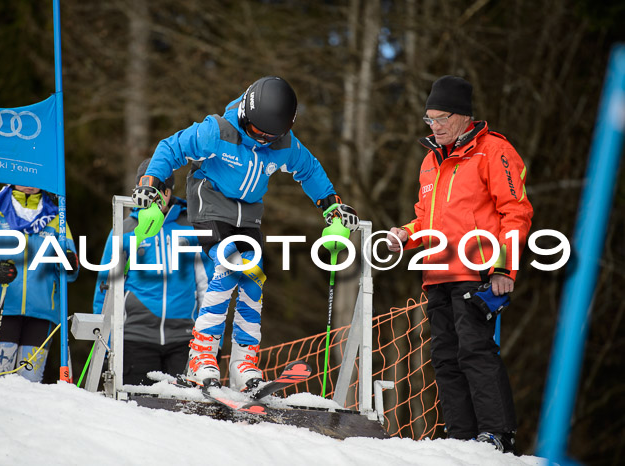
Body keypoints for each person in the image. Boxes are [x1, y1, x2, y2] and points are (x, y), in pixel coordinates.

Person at [132, 76, 359, 391]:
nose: (262, 140)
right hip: (210, 204)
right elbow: (171, 147)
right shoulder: (218, 131)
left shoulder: (285, 144)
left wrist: (332, 209)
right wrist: (151, 188)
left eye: (270, 135)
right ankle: (201, 356)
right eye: (255, 131)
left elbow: (310, 171)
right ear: (245, 116)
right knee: (229, 265)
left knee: (253, 276)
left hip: (248, 216)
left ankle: (243, 363)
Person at [386, 75, 533, 453]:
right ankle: (461, 439)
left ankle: (496, 435)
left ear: (463, 116)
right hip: (436, 275)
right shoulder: (429, 162)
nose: (434, 127)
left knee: (475, 351)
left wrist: (504, 268)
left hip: (477, 271)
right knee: (444, 358)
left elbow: (515, 213)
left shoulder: (493, 151)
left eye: (441, 119)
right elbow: (427, 221)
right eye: (429, 120)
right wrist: (405, 234)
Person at [93, 160, 213, 385]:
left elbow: (207, 285)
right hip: (134, 338)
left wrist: (209, 339)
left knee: (184, 411)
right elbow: (105, 288)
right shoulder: (126, 229)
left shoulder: (191, 227)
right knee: (139, 412)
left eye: (158, 192)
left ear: (168, 192)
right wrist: (107, 342)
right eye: (146, 191)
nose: (152, 198)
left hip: (184, 340)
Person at [0, 184, 79, 382]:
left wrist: (70, 264)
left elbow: (69, 266)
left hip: (43, 309)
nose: (28, 184)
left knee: (30, 382)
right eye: (23, 178)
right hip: (3, 305)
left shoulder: (55, 215)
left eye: (34, 179)